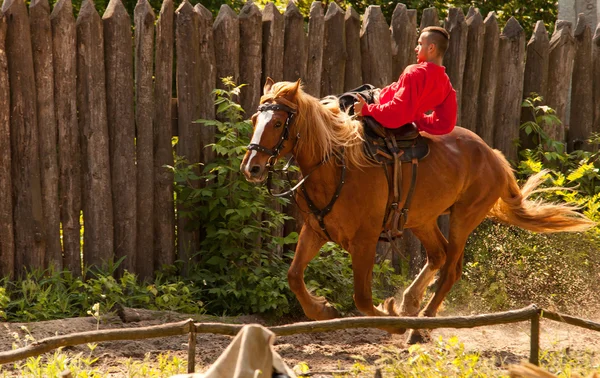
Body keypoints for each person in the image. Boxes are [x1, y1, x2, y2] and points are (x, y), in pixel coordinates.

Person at [353, 26, 457, 136]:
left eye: (420, 44)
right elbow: (446, 123)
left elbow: (397, 112)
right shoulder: (446, 83)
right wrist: (415, 117)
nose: (416, 48)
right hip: (378, 103)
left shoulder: (414, 72)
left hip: (373, 104)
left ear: (431, 48)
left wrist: (366, 110)